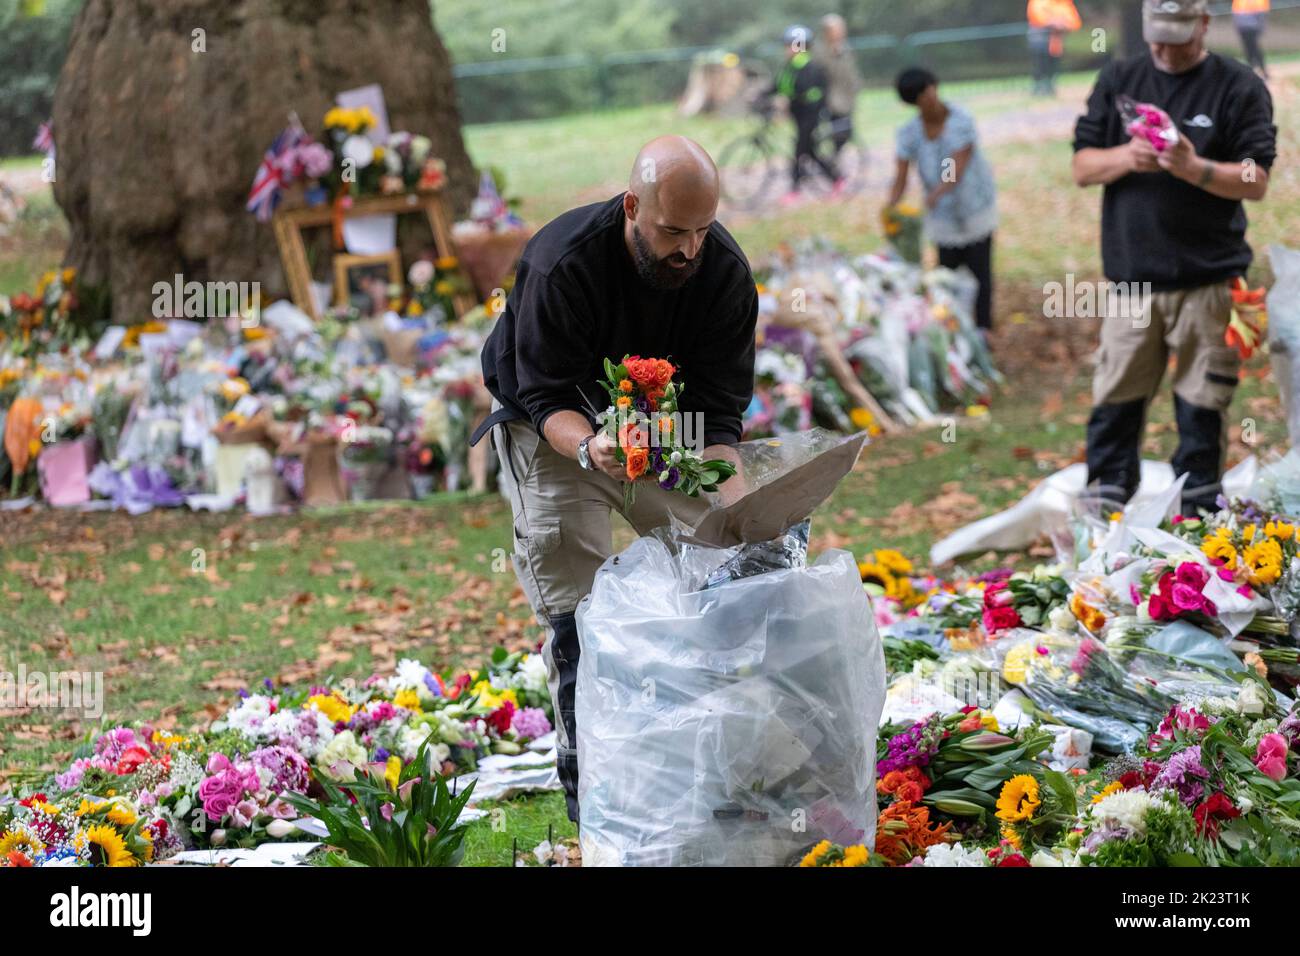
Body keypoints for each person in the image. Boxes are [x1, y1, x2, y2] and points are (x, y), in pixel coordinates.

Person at [469, 136, 757, 822]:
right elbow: (542, 398)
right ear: (633, 206)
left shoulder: (723, 275)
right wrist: (591, 446)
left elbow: (719, 416)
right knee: (580, 603)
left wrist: (742, 513)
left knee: (718, 565)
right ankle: (592, 794)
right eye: (671, 231)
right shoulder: (560, 262)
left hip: (665, 428)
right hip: (552, 428)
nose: (689, 248)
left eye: (702, 230)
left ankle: (709, 766)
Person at [1072, 0, 1276, 516]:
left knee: (1202, 406)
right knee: (1115, 401)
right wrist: (1127, 157)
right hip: (1133, 281)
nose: (1163, 48)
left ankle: (1196, 518)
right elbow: (1082, 164)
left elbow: (1256, 181)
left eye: (1177, 36)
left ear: (1204, 24)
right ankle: (1103, 516)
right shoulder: (1120, 76)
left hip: (1211, 280)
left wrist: (1194, 167)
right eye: (1155, 36)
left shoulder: (1239, 86)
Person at [885, 67, 999, 332]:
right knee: (946, 276)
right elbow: (900, 175)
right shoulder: (909, 133)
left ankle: (983, 327)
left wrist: (933, 196)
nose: (927, 99)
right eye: (919, 96)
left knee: (980, 271)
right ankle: (953, 328)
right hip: (943, 217)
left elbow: (955, 168)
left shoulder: (960, 120)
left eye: (928, 90)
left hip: (973, 207)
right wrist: (892, 209)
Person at [768, 25, 843, 206]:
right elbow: (778, 85)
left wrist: (788, 99)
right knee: (809, 152)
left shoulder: (810, 67)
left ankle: (794, 190)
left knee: (799, 152)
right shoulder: (790, 66)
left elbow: (806, 92)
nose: (786, 49)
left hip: (810, 117)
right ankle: (837, 179)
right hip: (798, 116)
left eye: (789, 45)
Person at [816, 14, 862, 160]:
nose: (841, 32)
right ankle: (829, 161)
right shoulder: (820, 51)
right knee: (836, 132)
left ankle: (833, 158)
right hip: (831, 100)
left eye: (841, 29)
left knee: (845, 132)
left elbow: (851, 72)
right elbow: (825, 74)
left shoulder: (846, 48)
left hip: (847, 99)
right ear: (826, 32)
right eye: (837, 30)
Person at [1027, 0, 1083, 96]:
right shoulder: (1039, 2)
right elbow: (1036, 16)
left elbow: (1075, 22)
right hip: (1040, 38)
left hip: (1056, 41)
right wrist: (1053, 22)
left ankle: (1050, 87)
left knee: (1053, 65)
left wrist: (1063, 24)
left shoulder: (1064, 3)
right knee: (1040, 64)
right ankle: (1038, 88)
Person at [1233, 0, 1271, 79]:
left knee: (1255, 49)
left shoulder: (1257, 2)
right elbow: (1236, 15)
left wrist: (1260, 27)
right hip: (1243, 28)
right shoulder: (1239, 2)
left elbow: (1261, 15)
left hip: (1252, 27)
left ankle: (1263, 70)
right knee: (1248, 49)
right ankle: (1252, 70)